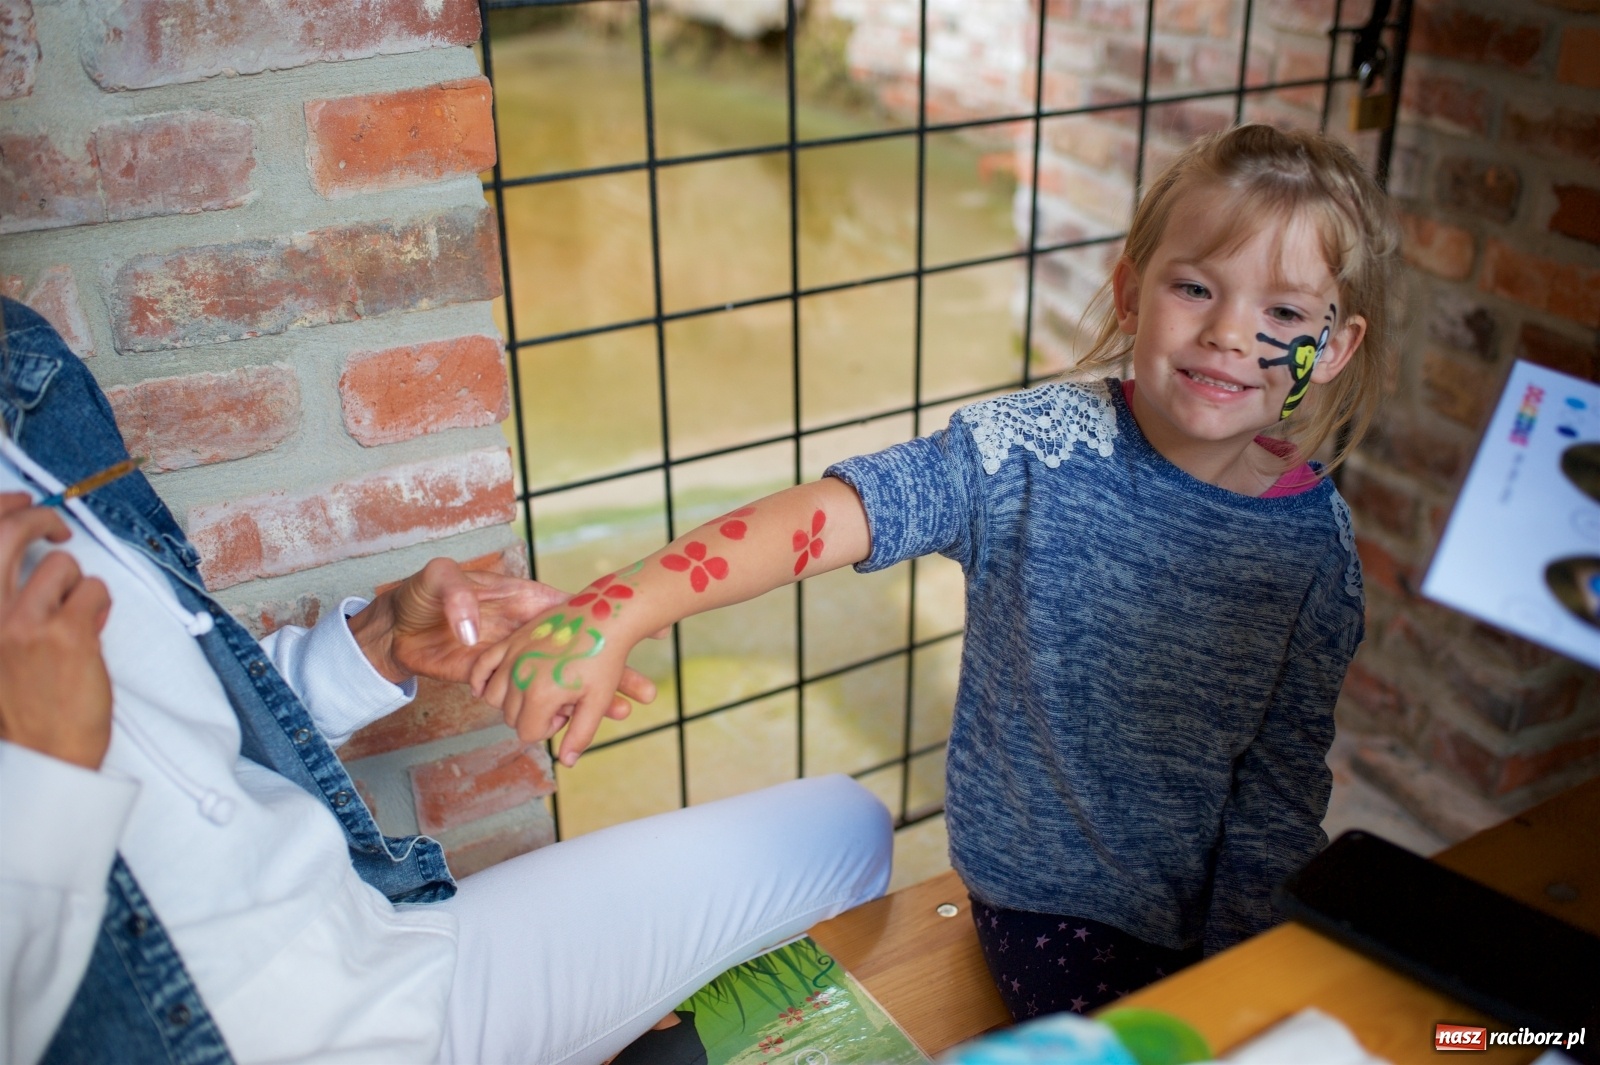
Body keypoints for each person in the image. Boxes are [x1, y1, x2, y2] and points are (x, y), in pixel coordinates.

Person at [469, 124, 1397, 1019]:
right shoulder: (1030, 453)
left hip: (1212, 923)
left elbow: (1279, 795)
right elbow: (831, 514)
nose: (1231, 334)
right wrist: (620, 607)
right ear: (1130, 294)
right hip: (1050, 908)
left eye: (1281, 311)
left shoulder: (1316, 543)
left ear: (1337, 345)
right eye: (1195, 287)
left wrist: (1246, 977)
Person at [0, 295, 893, 1065]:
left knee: (849, 828)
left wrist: (372, 647)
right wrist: (45, 777)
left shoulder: (24, 373)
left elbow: (187, 731)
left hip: (388, 945)